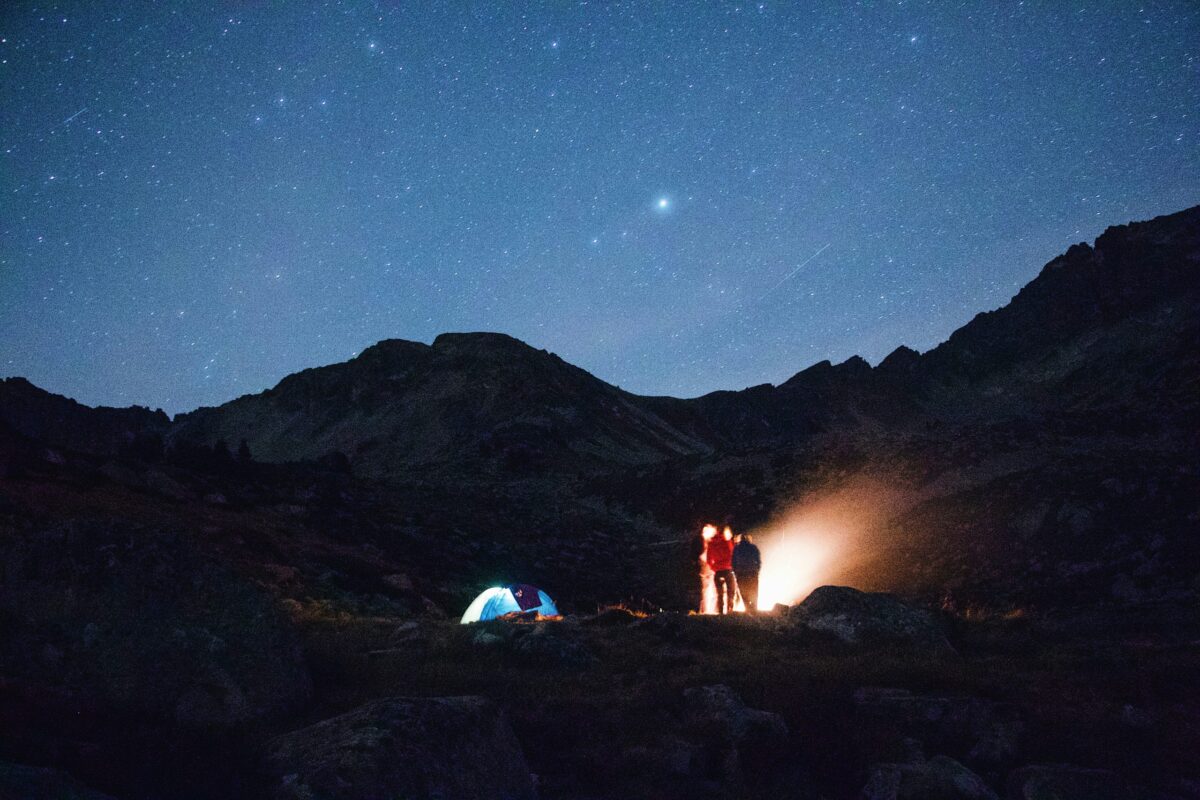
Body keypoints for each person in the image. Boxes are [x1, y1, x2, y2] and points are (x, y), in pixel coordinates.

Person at [706, 524, 738, 614]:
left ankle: (720, 612)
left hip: (718, 572)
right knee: (731, 592)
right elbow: (733, 554)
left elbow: (708, 560)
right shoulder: (727, 542)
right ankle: (730, 611)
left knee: (719, 594)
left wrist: (714, 568)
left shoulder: (711, 544)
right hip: (728, 570)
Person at [733, 533, 762, 613]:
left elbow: (733, 562)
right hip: (752, 572)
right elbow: (758, 561)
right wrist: (757, 570)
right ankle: (754, 608)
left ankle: (747, 608)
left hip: (741, 573)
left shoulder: (737, 548)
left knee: (743, 591)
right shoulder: (753, 547)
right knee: (754, 590)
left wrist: (736, 572)